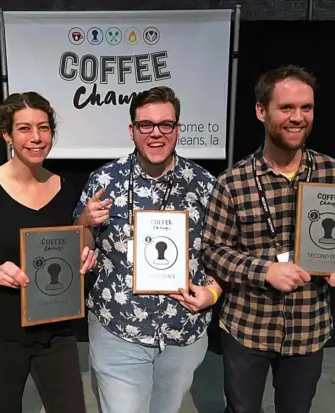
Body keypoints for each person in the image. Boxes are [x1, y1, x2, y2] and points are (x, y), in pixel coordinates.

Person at [201, 65, 335, 413]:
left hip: (309, 327)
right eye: (287, 108)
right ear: (262, 111)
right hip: (247, 327)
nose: (298, 117)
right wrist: (264, 271)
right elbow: (213, 252)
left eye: (306, 108)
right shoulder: (232, 182)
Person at [72, 86, 223, 413]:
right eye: (146, 125)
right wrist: (84, 223)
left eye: (165, 124)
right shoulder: (104, 181)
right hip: (118, 328)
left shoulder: (205, 185)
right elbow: (81, 240)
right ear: (132, 130)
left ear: (177, 129)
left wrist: (214, 292)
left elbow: (223, 252)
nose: (156, 133)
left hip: (182, 331)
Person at [0, 92, 96, 413]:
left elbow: (80, 239)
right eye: (25, 129)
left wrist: (88, 251)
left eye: (44, 128)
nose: (37, 138)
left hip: (56, 331)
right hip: (0, 332)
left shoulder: (67, 187)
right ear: (7, 134)